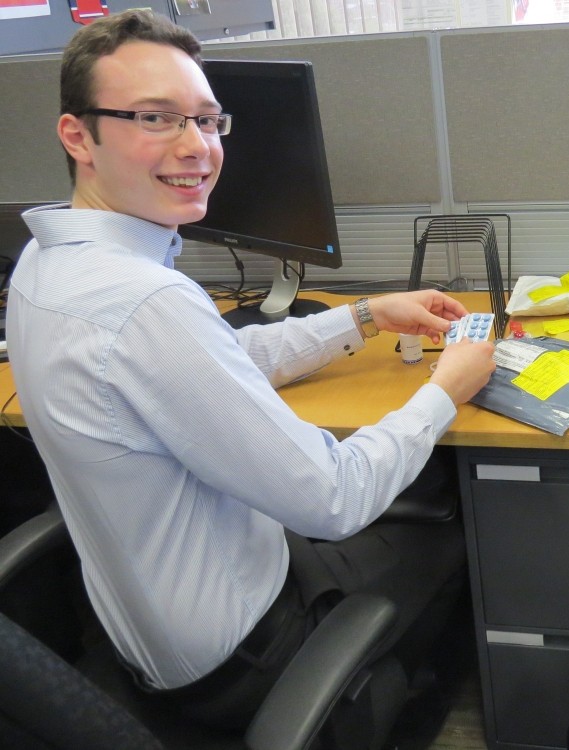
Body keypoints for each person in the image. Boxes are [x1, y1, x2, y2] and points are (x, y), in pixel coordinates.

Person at [6, 8, 496, 734]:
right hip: (242, 657)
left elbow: (216, 366)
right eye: (156, 118)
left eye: (207, 120)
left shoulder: (46, 264)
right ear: (79, 136)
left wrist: (363, 316)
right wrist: (445, 389)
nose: (197, 146)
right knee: (451, 524)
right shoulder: (143, 301)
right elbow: (333, 497)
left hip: (150, 627)